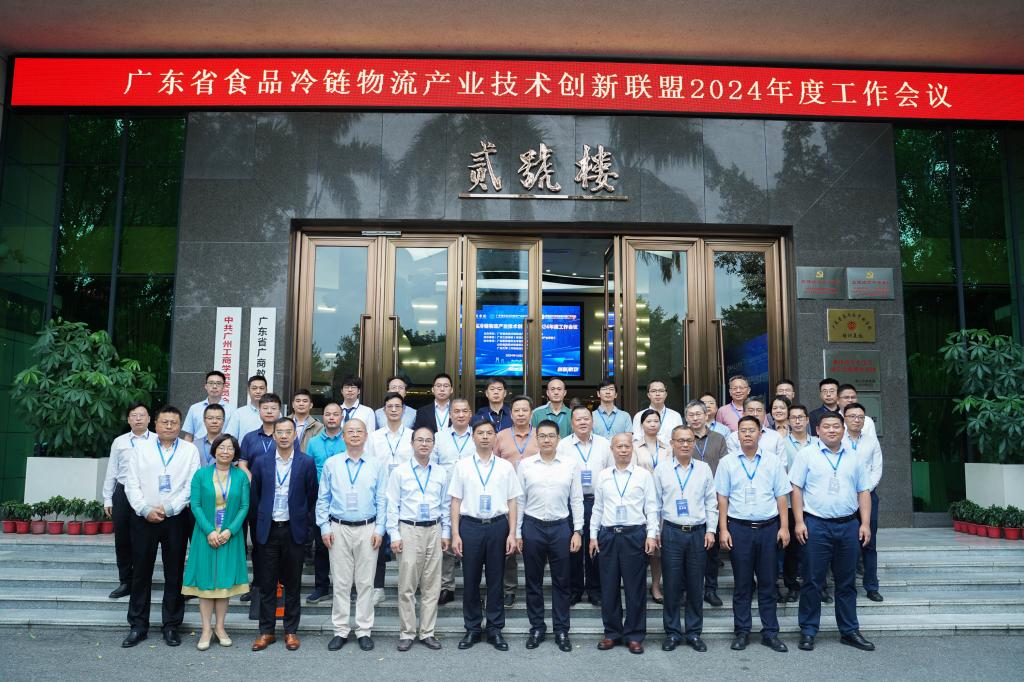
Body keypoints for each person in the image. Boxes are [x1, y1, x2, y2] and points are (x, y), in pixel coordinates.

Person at [790, 413, 875, 652]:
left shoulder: (854, 457)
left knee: (846, 582)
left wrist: (865, 523)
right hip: (816, 525)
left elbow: (864, 491)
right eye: (826, 426)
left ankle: (849, 630)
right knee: (812, 580)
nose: (831, 430)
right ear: (817, 430)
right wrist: (799, 521)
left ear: (843, 429)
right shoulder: (806, 455)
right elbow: (796, 489)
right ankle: (808, 630)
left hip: (848, 526)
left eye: (836, 426)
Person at [121, 406, 201, 648]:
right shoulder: (140, 449)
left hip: (175, 519)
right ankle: (138, 625)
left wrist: (170, 508)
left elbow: (191, 485)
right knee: (141, 572)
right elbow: (131, 483)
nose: (169, 426)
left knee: (174, 572)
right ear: (155, 424)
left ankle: (171, 625)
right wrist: (145, 509)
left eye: (173, 422)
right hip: (144, 517)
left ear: (180, 425)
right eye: (164, 422)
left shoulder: (189, 450)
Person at [715, 415, 791, 653]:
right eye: (743, 430)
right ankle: (742, 631)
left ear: (760, 433)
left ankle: (770, 632)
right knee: (742, 584)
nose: (747, 434)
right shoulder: (727, 462)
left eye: (751, 430)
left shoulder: (772, 461)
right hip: (739, 529)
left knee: (768, 583)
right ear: (737, 435)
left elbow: (781, 496)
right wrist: (723, 529)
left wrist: (784, 527)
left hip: (768, 529)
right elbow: (722, 498)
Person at [450, 418, 523, 651]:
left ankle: (494, 628)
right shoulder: (462, 466)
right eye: (480, 433)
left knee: (496, 579)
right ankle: (472, 628)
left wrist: (512, 533)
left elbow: (512, 501)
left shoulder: (505, 467)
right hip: (470, 527)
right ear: (473, 436)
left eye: (489, 433)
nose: (484, 436)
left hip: (497, 526)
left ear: (495, 437)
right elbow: (455, 501)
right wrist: (455, 534)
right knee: (470, 579)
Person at [316, 418, 387, 652]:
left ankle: (364, 630)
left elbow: (382, 499)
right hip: (338, 528)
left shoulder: (377, 464)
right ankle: (340, 630)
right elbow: (323, 498)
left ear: (366, 436)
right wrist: (324, 527)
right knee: (341, 582)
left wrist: (380, 529)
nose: (355, 435)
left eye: (359, 431)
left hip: (368, 528)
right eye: (350, 431)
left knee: (366, 582)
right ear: (344, 436)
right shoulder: (332, 464)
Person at [250, 418, 318, 652]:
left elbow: (311, 496)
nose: (284, 436)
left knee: (293, 583)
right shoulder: (261, 462)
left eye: (288, 431)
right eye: (279, 432)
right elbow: (255, 496)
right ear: (274, 435)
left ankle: (290, 631)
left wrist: (303, 522)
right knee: (267, 583)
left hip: (293, 530)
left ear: (294, 435)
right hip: (268, 530)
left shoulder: (306, 462)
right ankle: (266, 631)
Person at [516, 419, 584, 652]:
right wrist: (517, 532)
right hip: (532, 526)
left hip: (560, 528)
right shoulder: (526, 465)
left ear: (558, 439)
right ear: (537, 439)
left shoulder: (570, 464)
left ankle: (561, 629)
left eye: (551, 436)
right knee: (533, 581)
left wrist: (577, 531)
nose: (546, 440)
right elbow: (520, 500)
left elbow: (577, 499)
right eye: (542, 436)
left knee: (562, 582)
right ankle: (537, 627)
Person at [590, 433, 659, 655]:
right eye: (618, 446)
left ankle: (634, 635)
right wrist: (593, 536)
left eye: (627, 446)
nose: (623, 450)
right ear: (612, 449)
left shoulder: (643, 475)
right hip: (608, 536)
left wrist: (651, 534)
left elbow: (651, 507)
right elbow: (598, 507)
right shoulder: (603, 476)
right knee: (608, 587)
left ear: (632, 449)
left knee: (634, 588)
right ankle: (612, 633)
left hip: (634, 535)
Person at [182, 434, 250, 650]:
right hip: (205, 535)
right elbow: (195, 505)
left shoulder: (240, 476)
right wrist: (210, 531)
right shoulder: (201, 475)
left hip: (230, 536)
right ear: (214, 450)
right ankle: (206, 629)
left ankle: (220, 627)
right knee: (205, 583)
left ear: (235, 453)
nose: (225, 451)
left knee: (223, 583)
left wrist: (230, 530)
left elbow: (244, 506)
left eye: (230, 448)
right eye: (221, 447)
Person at [387, 426, 451, 651]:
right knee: (407, 585)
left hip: (434, 529)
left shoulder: (441, 472)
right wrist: (394, 534)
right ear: (412, 443)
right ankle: (406, 632)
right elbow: (392, 505)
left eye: (428, 440)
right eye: (420, 440)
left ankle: (427, 632)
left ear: (433, 444)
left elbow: (445, 505)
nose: (424, 444)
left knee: (432, 586)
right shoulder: (400, 472)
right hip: (409, 530)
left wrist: (446, 533)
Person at [655, 425, 718, 653]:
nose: (684, 444)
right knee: (671, 585)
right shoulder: (661, 470)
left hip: (698, 533)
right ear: (672, 443)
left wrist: (711, 530)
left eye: (689, 440)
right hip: (671, 532)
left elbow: (711, 502)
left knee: (695, 584)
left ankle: (693, 632)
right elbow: (655, 504)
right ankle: (672, 632)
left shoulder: (703, 469)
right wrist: (655, 532)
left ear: (694, 443)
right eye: (680, 440)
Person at [557, 405, 611, 607]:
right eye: (578, 419)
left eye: (586, 418)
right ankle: (575, 589)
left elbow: (611, 472)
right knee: (573, 547)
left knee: (596, 545)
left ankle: (595, 589)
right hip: (572, 503)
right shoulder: (563, 445)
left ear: (592, 421)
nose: (582, 422)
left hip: (597, 502)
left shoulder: (604, 444)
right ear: (572, 423)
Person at [367, 391, 414, 606]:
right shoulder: (374, 437)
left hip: (406, 496)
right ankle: (378, 587)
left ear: (403, 411)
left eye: (398, 407)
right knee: (377, 542)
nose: (394, 410)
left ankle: (408, 588)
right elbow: (370, 465)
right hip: (381, 495)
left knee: (407, 543)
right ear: (384, 411)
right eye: (390, 407)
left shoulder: (412, 436)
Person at [103, 402, 153, 600]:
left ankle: (142, 580)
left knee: (144, 538)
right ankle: (125, 581)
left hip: (146, 493)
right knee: (122, 538)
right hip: (123, 492)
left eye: (142, 415)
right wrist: (107, 498)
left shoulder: (157, 440)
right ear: (128, 419)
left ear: (149, 419)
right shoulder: (120, 442)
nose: (138, 418)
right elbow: (112, 471)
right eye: (134, 415)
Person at [682, 399, 729, 607]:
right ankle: (687, 590)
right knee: (687, 550)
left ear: (706, 415)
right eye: (690, 415)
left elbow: (725, 467)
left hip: (713, 500)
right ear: (686, 417)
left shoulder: (718, 438)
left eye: (698, 414)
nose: (695, 418)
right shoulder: (682, 439)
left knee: (711, 549)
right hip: (688, 500)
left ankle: (710, 589)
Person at [842, 402, 884, 602]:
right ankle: (847, 586)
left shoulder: (871, 441)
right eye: (852, 416)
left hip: (868, 496)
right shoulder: (838, 439)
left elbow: (877, 468)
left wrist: (864, 489)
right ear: (844, 418)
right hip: (844, 497)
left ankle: (871, 586)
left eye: (860, 417)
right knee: (847, 545)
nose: (856, 420)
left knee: (869, 543)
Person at [434, 398, 475, 605]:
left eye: (464, 411)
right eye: (456, 411)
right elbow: (432, 466)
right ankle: (446, 586)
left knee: (472, 543)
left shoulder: (478, 436)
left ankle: (472, 586)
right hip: (446, 496)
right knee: (447, 541)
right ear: (450, 415)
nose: (460, 415)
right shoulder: (439, 437)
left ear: (470, 414)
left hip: (472, 497)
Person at [305, 402, 346, 604]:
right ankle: (321, 587)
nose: (331, 417)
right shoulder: (313, 442)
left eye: (335, 414)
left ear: (341, 417)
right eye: (327, 414)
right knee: (321, 544)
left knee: (345, 544)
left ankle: (344, 587)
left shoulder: (348, 439)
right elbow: (308, 469)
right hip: (319, 497)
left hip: (344, 498)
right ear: (323, 417)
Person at [779, 403, 815, 603]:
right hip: (790, 503)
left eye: (801, 417)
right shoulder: (782, 443)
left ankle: (818, 586)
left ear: (807, 420)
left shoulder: (818, 443)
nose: (798, 421)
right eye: (794, 418)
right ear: (788, 421)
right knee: (792, 548)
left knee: (814, 548)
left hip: (814, 504)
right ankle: (792, 586)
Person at [632, 408, 667, 603]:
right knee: (639, 545)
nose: (653, 424)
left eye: (656, 421)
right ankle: (636, 585)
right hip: (639, 502)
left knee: (657, 549)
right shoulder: (634, 447)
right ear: (642, 425)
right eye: (649, 421)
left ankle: (655, 585)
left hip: (662, 502)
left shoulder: (667, 447)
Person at [181, 371, 235, 442]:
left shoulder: (232, 410)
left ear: (224, 387)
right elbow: (188, 436)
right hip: (198, 448)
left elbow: (233, 436)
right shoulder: (194, 408)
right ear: (206, 386)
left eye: (218, 383)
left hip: (222, 448)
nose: (214, 386)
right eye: (211, 383)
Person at [238, 393, 282, 475]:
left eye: (273, 408)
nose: (269, 411)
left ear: (279, 412)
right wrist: (251, 480)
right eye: (265, 408)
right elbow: (242, 464)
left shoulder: (286, 437)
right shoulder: (249, 437)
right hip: (252, 481)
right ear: (259, 411)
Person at [494, 395, 538, 468]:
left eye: (525, 410)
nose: (521, 414)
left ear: (531, 414)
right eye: (516, 410)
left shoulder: (540, 435)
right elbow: (495, 462)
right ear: (511, 414)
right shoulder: (500, 436)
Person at [224, 374, 269, 440]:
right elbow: (229, 438)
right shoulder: (238, 414)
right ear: (248, 391)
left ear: (266, 390)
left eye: (261, 388)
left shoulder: (275, 413)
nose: (258, 391)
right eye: (254, 388)